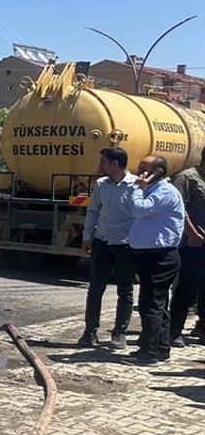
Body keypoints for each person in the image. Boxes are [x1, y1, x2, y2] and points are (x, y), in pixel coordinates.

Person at [126, 155, 185, 365]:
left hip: (160, 257)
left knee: (151, 304)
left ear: (158, 171)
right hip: (149, 255)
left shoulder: (164, 191)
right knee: (158, 303)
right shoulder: (151, 190)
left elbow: (140, 209)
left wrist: (138, 189)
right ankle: (160, 347)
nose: (139, 171)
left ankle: (149, 352)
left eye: (144, 168)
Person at [77, 147, 138, 349]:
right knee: (95, 289)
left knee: (125, 290)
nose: (100, 166)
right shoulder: (101, 185)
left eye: (103, 162)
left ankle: (119, 333)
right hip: (102, 242)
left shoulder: (136, 185)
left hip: (126, 245)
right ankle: (90, 331)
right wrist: (87, 236)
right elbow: (93, 211)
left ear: (115, 163)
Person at [169, 151, 205, 346]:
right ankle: (174, 332)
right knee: (186, 289)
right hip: (193, 244)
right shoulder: (187, 178)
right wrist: (192, 234)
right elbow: (178, 209)